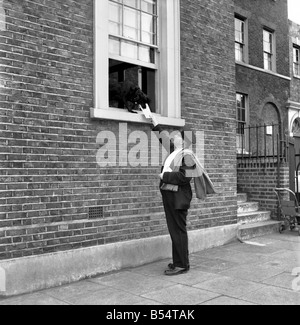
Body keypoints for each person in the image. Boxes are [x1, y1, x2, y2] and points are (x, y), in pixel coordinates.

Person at [149, 116, 216, 276]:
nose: (174, 136)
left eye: (177, 135)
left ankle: (182, 265)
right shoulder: (176, 151)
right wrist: (153, 122)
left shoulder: (188, 156)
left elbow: (184, 177)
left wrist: (164, 176)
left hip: (178, 198)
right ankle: (179, 261)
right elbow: (163, 139)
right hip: (171, 196)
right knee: (175, 230)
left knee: (178, 231)